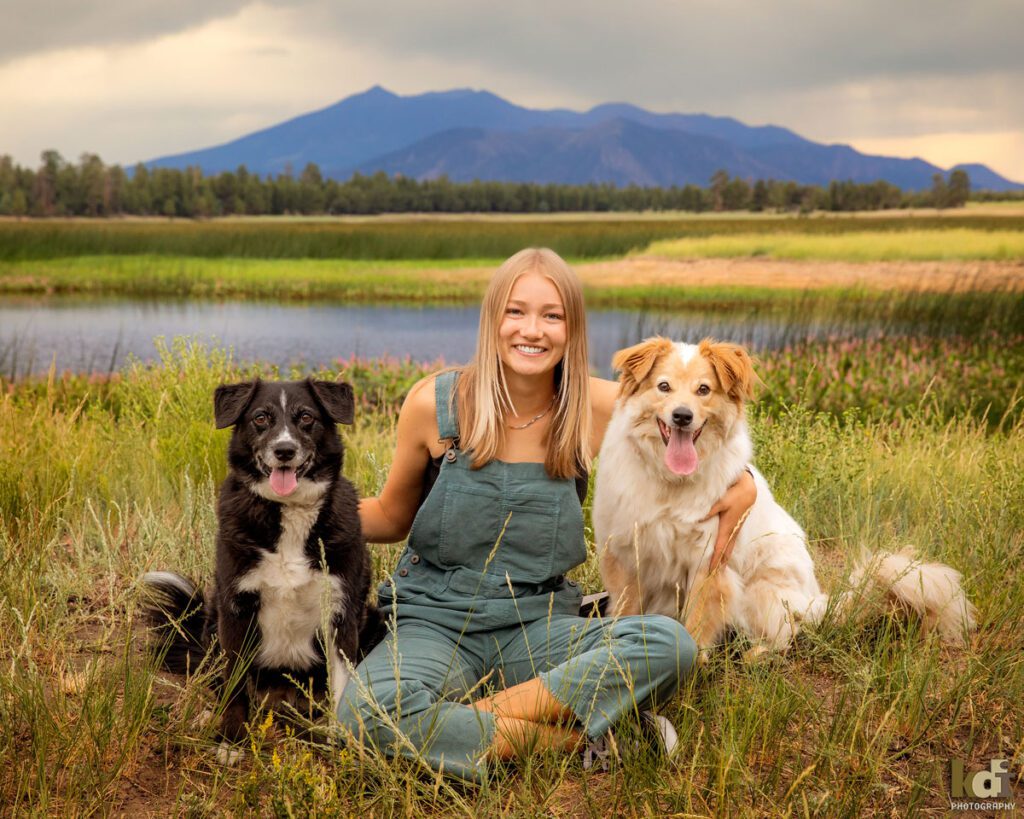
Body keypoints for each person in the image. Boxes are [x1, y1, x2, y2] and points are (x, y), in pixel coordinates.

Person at [337, 248, 756, 781]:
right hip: (434, 624)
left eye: (552, 316)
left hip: (537, 627)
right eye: (516, 312)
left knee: (667, 643)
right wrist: (310, 509)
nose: (531, 330)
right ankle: (577, 738)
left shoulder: (596, 406)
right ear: (493, 319)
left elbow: (707, 436)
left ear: (572, 329)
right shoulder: (435, 404)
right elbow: (390, 518)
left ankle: (459, 726)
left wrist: (744, 488)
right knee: (361, 715)